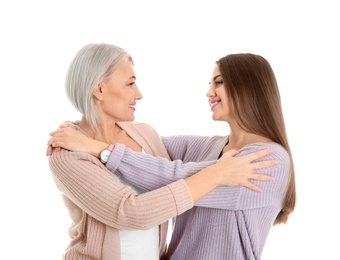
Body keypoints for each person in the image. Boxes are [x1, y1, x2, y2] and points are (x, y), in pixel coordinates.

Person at [47, 43, 277, 260]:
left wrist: (95, 146)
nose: (138, 94)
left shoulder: (144, 134)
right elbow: (130, 212)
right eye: (130, 83)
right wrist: (217, 173)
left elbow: (162, 171)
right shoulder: (67, 154)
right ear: (99, 89)